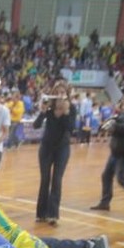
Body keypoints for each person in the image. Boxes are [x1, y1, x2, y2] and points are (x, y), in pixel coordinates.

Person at [91, 89, 124, 213]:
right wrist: (111, 122)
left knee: (120, 177)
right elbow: (118, 122)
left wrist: (116, 127)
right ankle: (105, 202)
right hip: (116, 150)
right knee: (106, 176)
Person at [34, 86, 77, 224]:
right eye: (56, 92)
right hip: (46, 148)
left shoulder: (71, 108)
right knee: (45, 179)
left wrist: (65, 113)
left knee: (57, 180)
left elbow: (71, 128)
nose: (59, 95)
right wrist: (42, 111)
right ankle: (41, 213)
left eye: (62, 92)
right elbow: (36, 125)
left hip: (62, 149)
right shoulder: (49, 108)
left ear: (66, 94)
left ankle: (53, 214)